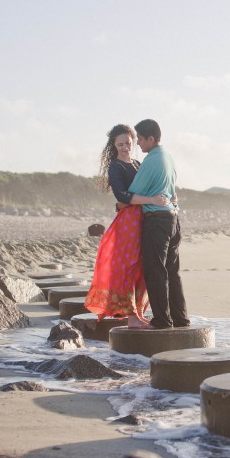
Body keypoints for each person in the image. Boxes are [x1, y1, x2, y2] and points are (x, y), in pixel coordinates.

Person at [85, 124, 168, 329]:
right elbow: (122, 196)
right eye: (120, 144)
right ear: (113, 146)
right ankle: (131, 316)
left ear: (134, 141)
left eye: (128, 143)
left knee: (143, 266)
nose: (125, 147)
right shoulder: (116, 166)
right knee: (129, 266)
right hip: (129, 222)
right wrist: (151, 200)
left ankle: (138, 312)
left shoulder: (139, 164)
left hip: (145, 219)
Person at [129, 119, 190, 329]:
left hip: (157, 221)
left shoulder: (152, 160)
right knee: (172, 272)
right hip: (173, 219)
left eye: (140, 139)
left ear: (151, 138)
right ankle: (180, 319)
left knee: (156, 270)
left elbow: (133, 192)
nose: (138, 144)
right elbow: (173, 191)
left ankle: (162, 320)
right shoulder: (168, 158)